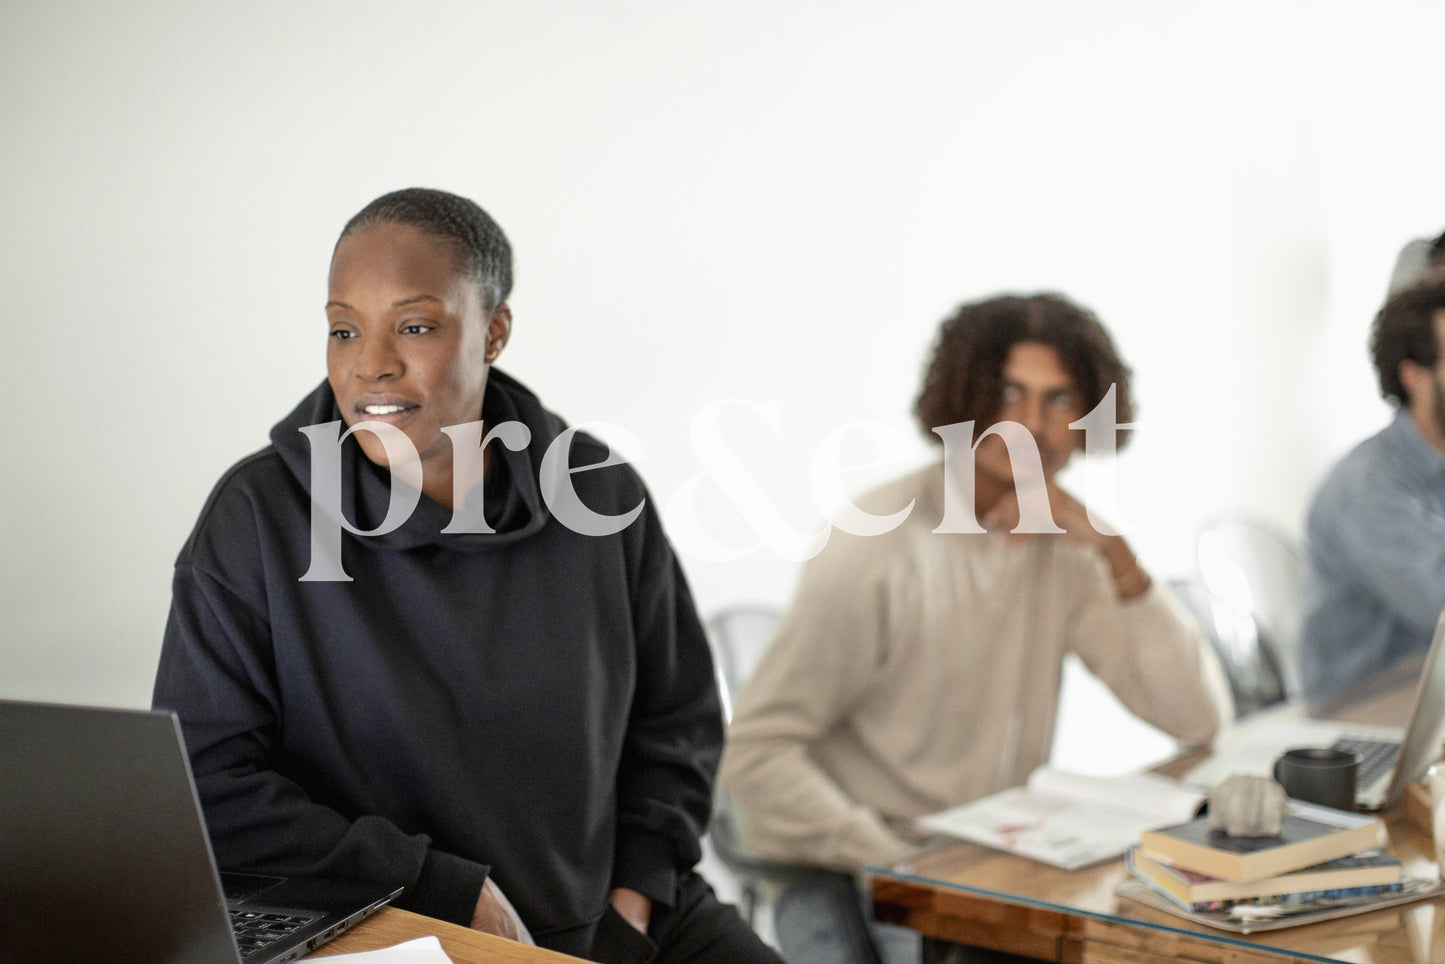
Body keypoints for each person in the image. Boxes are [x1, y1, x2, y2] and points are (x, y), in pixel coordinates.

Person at [152, 188, 781, 964]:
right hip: (403, 924)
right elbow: (206, 784)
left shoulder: (597, 491)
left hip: (620, 915)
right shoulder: (258, 516)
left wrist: (635, 898)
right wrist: (443, 889)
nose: (370, 365)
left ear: (495, 332)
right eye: (343, 329)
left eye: (415, 326)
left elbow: (675, 720)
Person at [718, 293, 1231, 964]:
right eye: (1008, 394)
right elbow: (755, 754)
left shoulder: (1071, 548)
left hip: (998, 865)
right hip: (871, 867)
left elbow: (1195, 718)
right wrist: (892, 855)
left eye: (1058, 399)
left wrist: (1115, 553)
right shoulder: (873, 545)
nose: (1030, 426)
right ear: (961, 397)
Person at [1299, 279, 1445, 711]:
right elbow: (1438, 608)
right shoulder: (1368, 487)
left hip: (1427, 686)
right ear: (1413, 376)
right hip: (1363, 701)